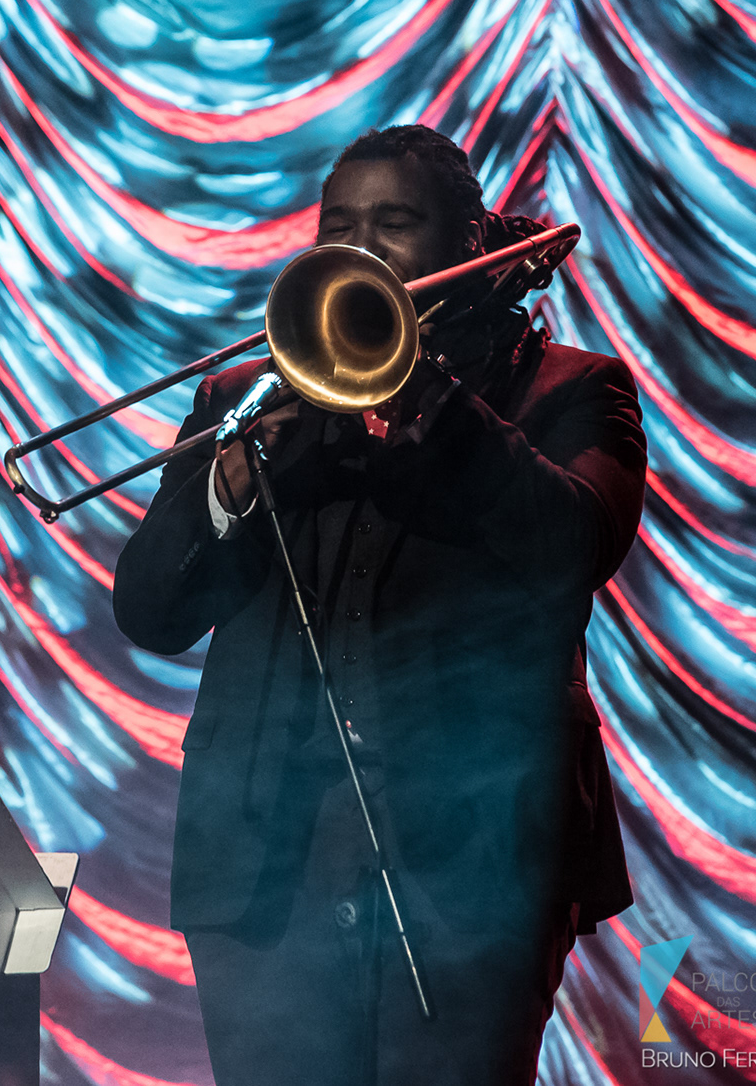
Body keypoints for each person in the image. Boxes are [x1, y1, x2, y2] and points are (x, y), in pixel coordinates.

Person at [113, 126, 644, 1086]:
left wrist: (435, 403)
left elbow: (576, 550)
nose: (361, 247)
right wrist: (232, 482)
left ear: (468, 241)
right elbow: (152, 613)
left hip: (479, 869)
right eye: (339, 227)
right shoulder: (243, 395)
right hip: (266, 872)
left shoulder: (573, 390)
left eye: (394, 222)